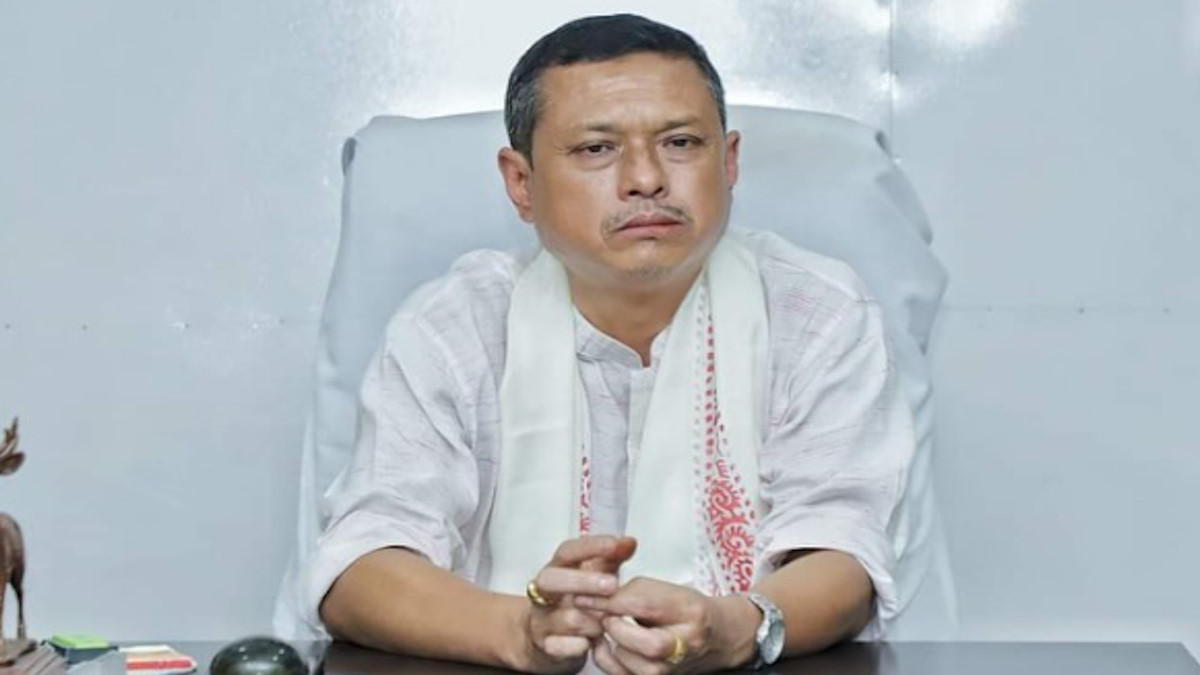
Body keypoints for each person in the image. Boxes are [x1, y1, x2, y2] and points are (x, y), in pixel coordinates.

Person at [293, 13, 929, 674]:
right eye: (597, 149)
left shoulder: (816, 313)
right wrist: (520, 632)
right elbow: (358, 569)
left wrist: (734, 627)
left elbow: (845, 553)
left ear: (729, 161)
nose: (646, 178)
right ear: (521, 183)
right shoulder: (455, 327)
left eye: (681, 143)